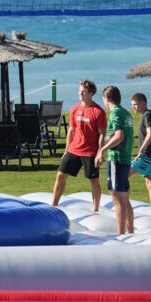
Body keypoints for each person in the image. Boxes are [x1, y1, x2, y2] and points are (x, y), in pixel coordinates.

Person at [51, 80, 106, 210]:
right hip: (74, 149)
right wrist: (66, 150)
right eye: (79, 91)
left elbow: (102, 134)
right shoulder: (75, 109)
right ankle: (53, 205)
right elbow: (71, 130)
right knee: (60, 175)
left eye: (83, 91)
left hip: (90, 152)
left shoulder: (98, 112)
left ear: (91, 93)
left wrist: (100, 153)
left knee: (93, 180)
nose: (80, 93)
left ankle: (96, 209)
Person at [96, 85, 134, 235]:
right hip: (125, 158)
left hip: (116, 159)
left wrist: (102, 150)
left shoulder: (115, 114)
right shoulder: (126, 113)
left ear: (106, 98)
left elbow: (119, 136)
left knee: (116, 198)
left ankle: (120, 234)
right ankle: (130, 231)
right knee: (125, 198)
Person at [129, 93, 151, 217]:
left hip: (146, 155)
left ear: (143, 103)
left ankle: (124, 207)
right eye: (133, 105)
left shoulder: (147, 116)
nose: (134, 107)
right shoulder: (150, 115)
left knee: (123, 176)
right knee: (150, 183)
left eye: (135, 104)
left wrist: (142, 150)